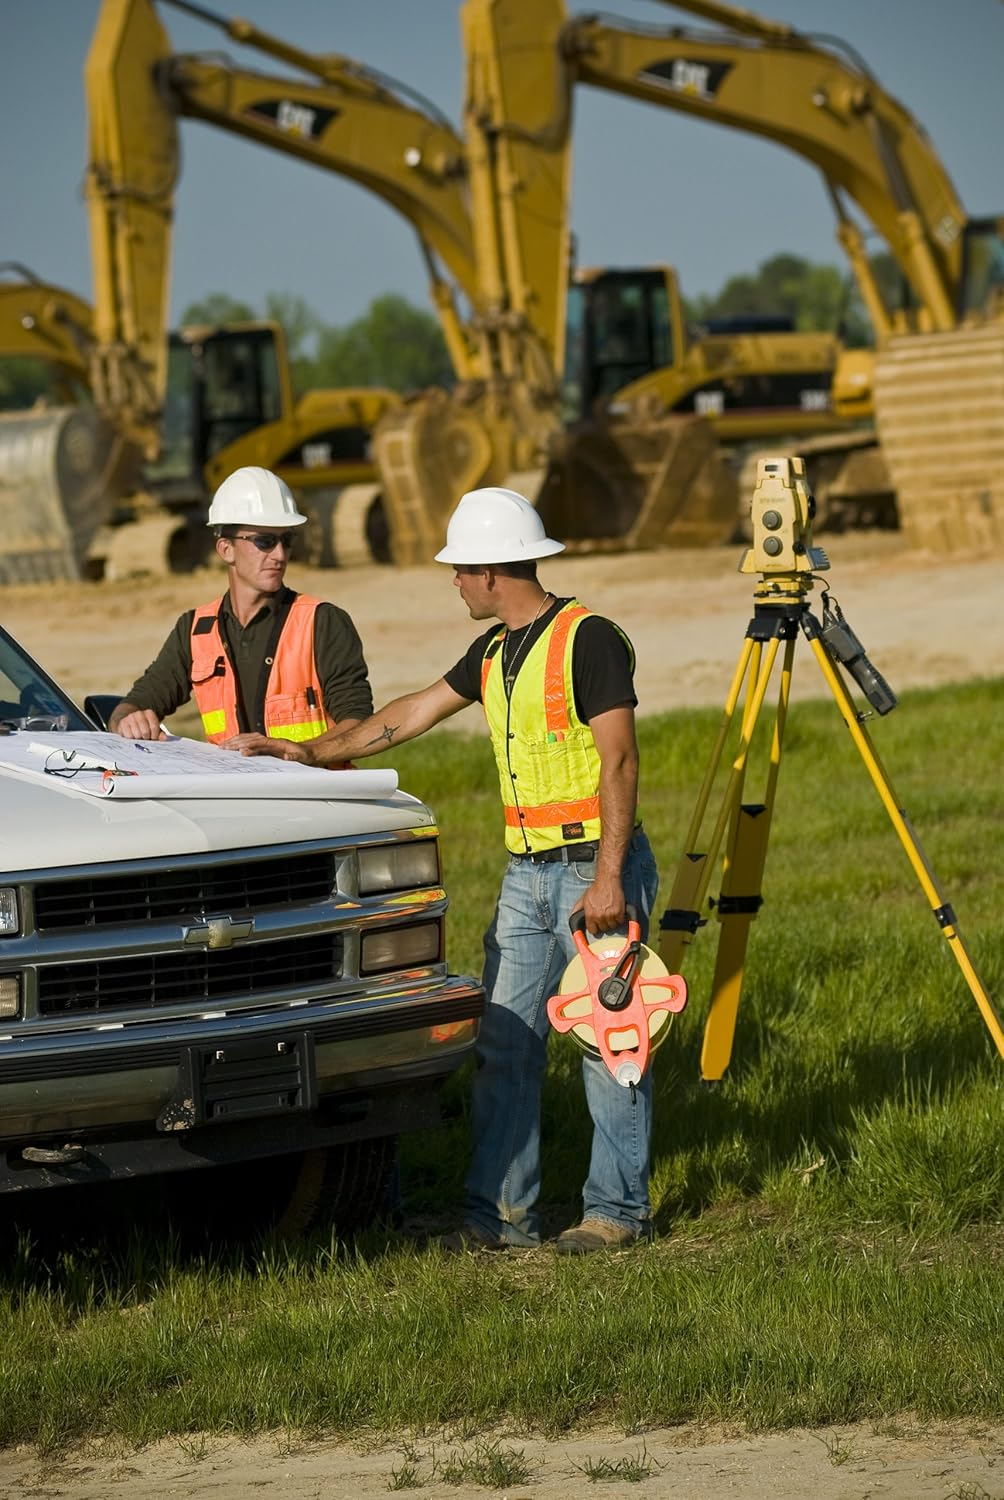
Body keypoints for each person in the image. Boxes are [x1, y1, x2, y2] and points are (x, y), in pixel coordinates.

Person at [225, 486, 659, 1256]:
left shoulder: (587, 639)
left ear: (492, 571)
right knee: (505, 1044)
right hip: (525, 876)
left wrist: (610, 879)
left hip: (595, 869)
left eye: (460, 569)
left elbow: (620, 760)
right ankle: (501, 1217)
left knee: (611, 1044)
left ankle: (614, 1213)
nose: (454, 582)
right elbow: (410, 713)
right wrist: (305, 752)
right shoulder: (494, 651)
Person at [109, 466, 373, 749]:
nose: (280, 554)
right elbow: (131, 707)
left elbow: (358, 726)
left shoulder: (322, 622)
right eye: (265, 542)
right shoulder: (196, 629)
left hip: (316, 789)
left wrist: (301, 752)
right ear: (225, 549)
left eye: (287, 540)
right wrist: (128, 721)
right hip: (237, 791)